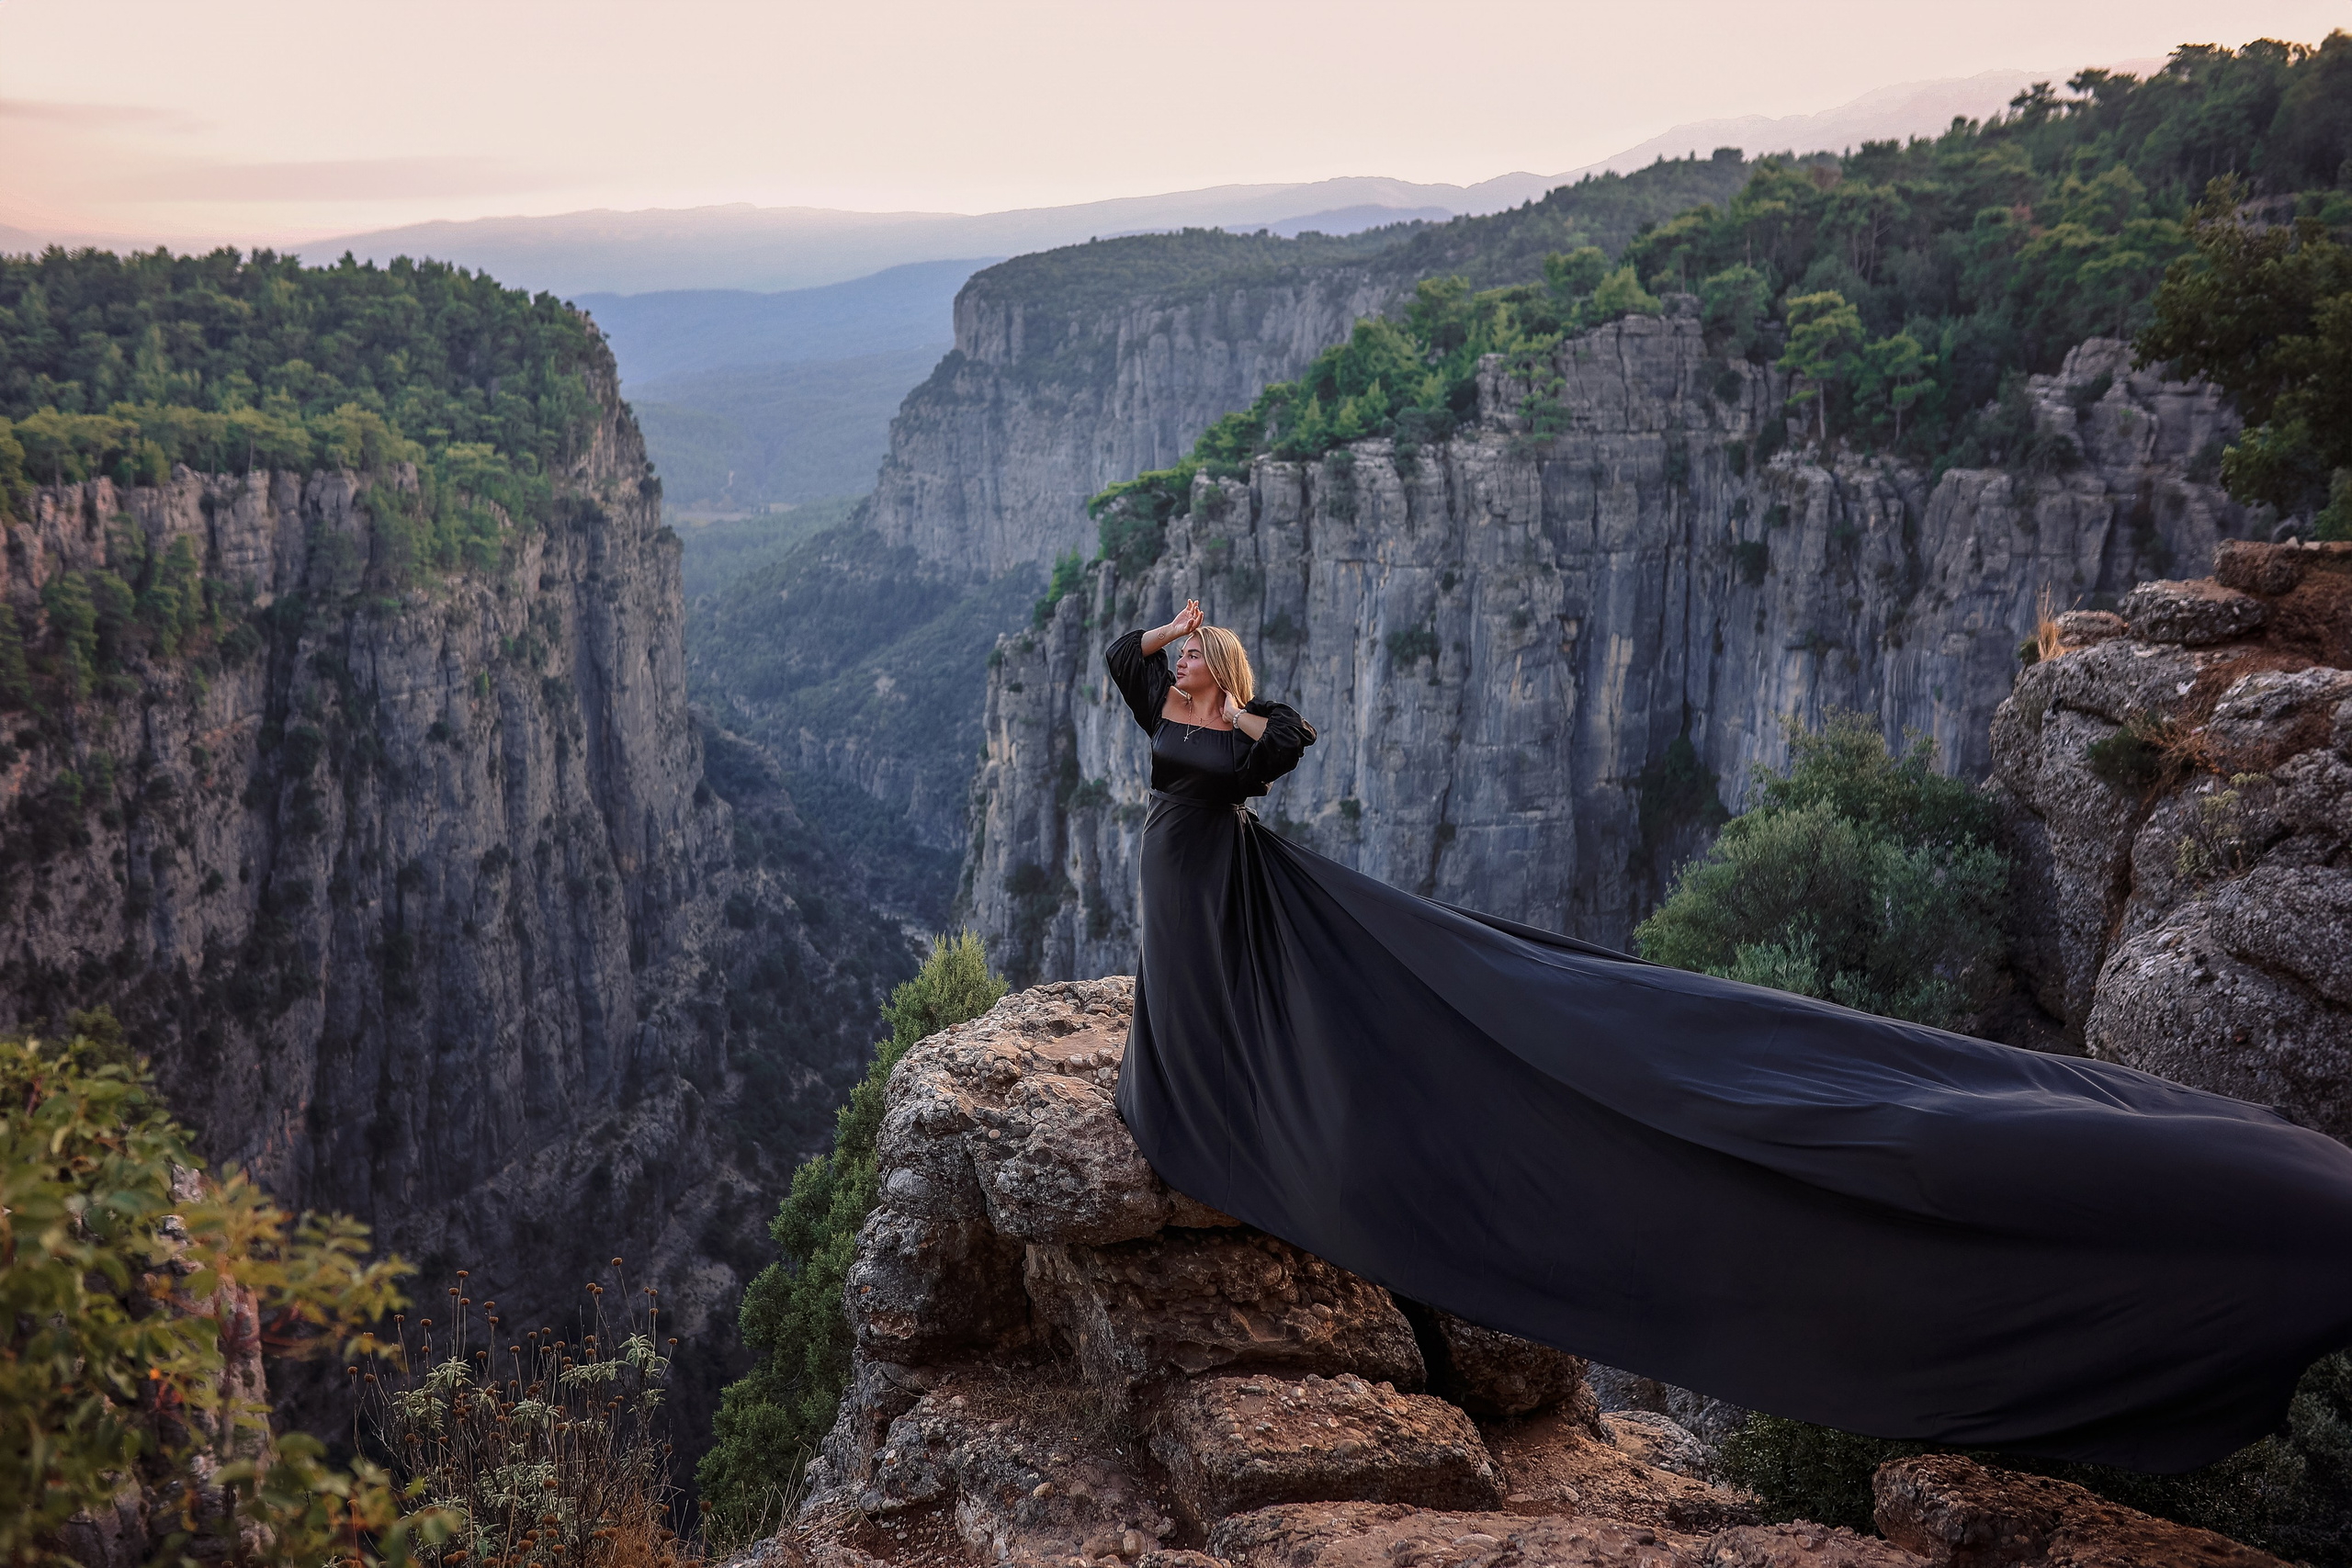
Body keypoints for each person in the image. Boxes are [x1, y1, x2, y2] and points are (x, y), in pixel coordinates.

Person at [1102, 603, 2352, 1474]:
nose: (1189, 686)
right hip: (1199, 915)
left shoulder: (1235, 749)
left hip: (1227, 898)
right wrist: (1165, 647)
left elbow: (1291, 737)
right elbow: (1122, 669)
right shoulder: (1178, 728)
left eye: (1209, 673)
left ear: (1235, 680)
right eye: (1187, 679)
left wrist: (1229, 699)